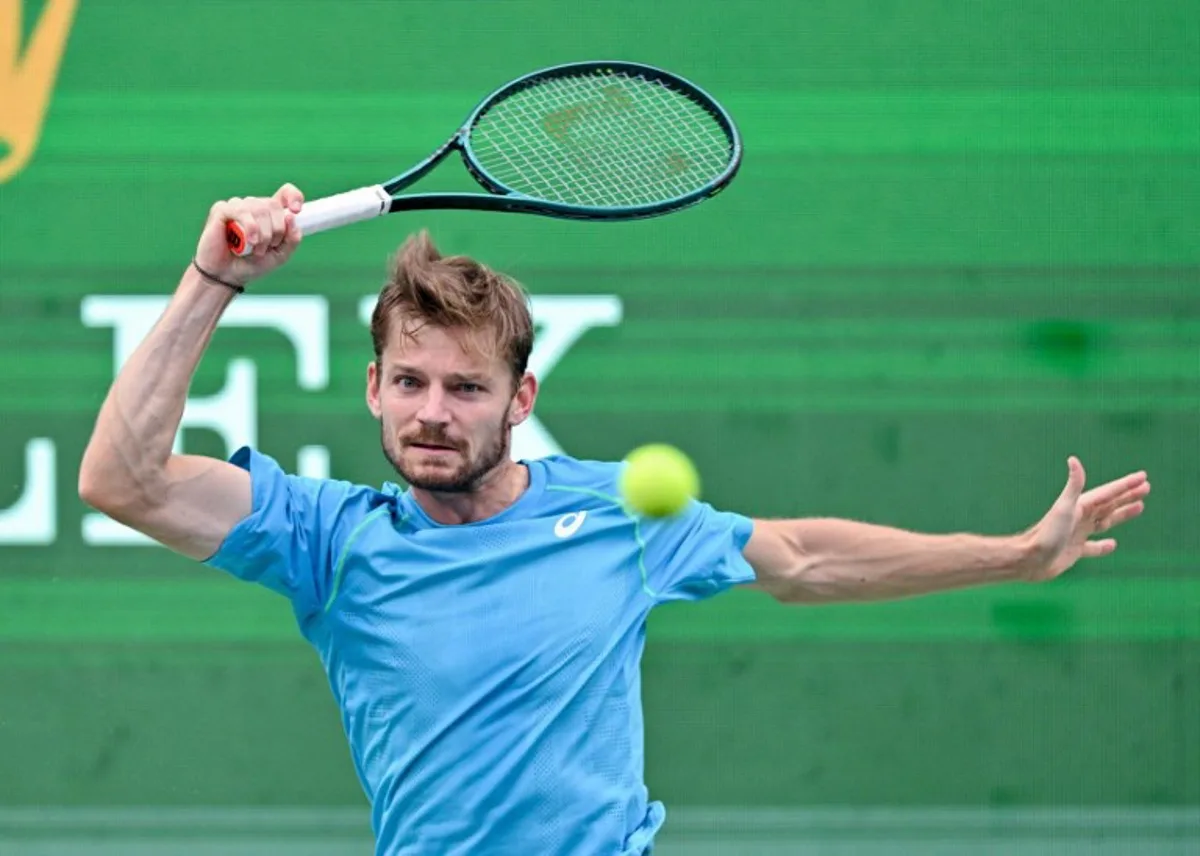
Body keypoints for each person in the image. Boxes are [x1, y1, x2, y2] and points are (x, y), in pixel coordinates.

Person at [78, 184, 1151, 856]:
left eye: (465, 388)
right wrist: (214, 278)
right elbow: (124, 480)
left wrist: (1014, 554)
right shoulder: (329, 539)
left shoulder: (616, 515)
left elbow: (806, 555)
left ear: (522, 400)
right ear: (371, 388)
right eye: (409, 383)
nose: (432, 415)